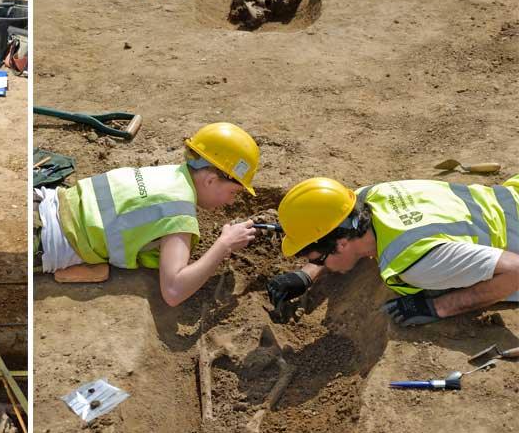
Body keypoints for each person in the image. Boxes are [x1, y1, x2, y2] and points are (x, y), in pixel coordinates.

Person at [34, 122, 261, 306]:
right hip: (42, 239)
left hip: (44, 201)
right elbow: (173, 292)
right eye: (233, 192)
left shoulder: (169, 174)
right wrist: (224, 245)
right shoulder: (178, 213)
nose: (232, 201)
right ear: (210, 180)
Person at [267, 176, 519, 326]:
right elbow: (332, 224)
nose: (325, 266)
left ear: (341, 244)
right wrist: (306, 275)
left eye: (320, 259)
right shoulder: (371, 196)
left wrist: (439, 307)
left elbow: (515, 271)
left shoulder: (414, 261)